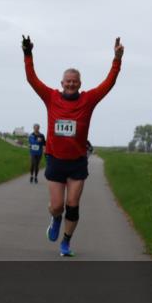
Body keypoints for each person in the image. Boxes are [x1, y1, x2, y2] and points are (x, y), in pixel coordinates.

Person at [23, 35, 123, 257]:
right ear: (61, 83)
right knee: (58, 206)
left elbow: (109, 83)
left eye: (74, 81)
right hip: (56, 159)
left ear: (80, 83)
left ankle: (66, 243)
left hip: (77, 162)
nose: (70, 84)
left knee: (73, 204)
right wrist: (28, 54)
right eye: (67, 81)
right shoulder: (51, 97)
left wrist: (117, 59)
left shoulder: (88, 99)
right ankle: (55, 218)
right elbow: (32, 79)